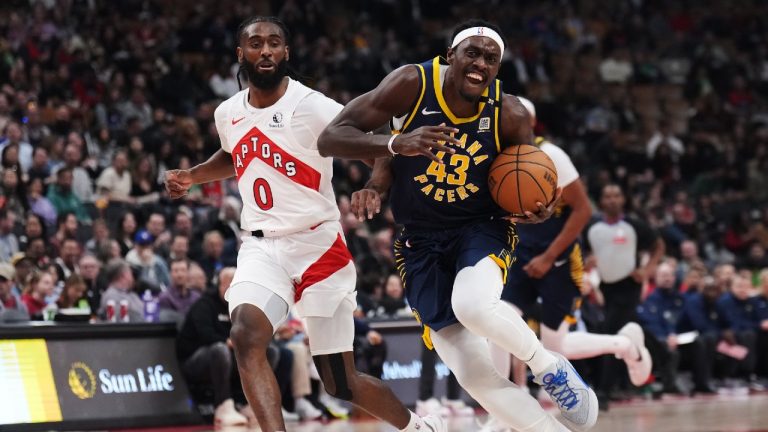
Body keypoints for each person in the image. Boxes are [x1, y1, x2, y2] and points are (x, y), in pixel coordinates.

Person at [164, 16, 445, 432]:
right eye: (256, 43)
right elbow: (232, 155)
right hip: (261, 245)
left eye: (274, 43)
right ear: (241, 54)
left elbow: (376, 139)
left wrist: (374, 184)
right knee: (245, 335)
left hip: (319, 246)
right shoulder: (228, 112)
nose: (266, 50)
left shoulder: (311, 104)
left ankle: (419, 427)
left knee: (340, 383)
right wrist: (193, 176)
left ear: (286, 53)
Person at [318, 19, 597, 432]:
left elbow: (524, 183)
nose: (480, 63)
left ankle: (550, 368)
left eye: (491, 58)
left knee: (473, 304)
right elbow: (332, 137)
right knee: (472, 374)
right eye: (473, 53)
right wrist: (392, 153)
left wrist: (536, 208)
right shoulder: (411, 84)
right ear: (451, 55)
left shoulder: (511, 112)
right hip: (420, 241)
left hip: (479, 227)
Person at [492, 97, 651, 410]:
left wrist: (549, 257)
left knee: (555, 344)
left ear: (529, 123)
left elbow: (583, 210)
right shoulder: (498, 156)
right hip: (520, 255)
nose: (503, 123)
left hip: (560, 259)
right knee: (499, 323)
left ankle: (624, 345)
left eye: (511, 119)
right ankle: (502, 405)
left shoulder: (550, 155)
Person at [585, 183, 665, 403]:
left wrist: (647, 270)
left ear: (623, 200)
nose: (612, 200)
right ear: (601, 201)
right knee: (629, 331)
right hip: (606, 287)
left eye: (616, 195)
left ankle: (605, 390)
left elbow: (658, 245)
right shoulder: (591, 226)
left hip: (629, 286)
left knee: (612, 331)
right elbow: (580, 251)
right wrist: (586, 263)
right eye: (607, 196)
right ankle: (665, 362)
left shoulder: (634, 224)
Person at [176, 267, 248, 426]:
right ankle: (223, 405)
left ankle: (246, 403)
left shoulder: (239, 305)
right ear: (221, 284)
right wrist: (229, 341)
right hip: (194, 359)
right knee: (220, 349)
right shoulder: (204, 304)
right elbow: (205, 335)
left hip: (227, 355)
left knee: (267, 351)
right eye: (230, 285)